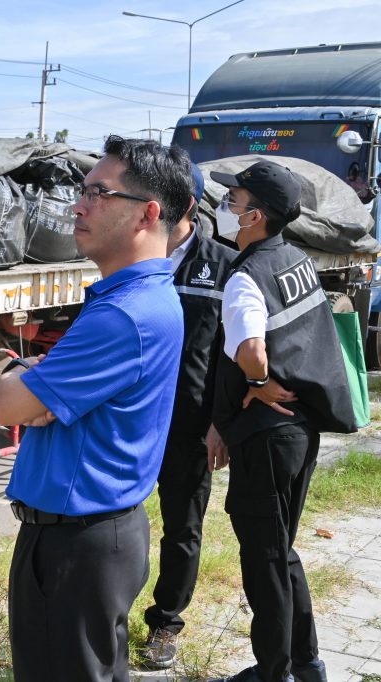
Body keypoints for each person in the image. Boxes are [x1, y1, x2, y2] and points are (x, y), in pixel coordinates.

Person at [0, 135, 190, 681]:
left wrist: (21, 377)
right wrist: (38, 385)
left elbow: (4, 406)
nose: (77, 205)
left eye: (99, 193)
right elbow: (23, 404)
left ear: (148, 213)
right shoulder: (130, 300)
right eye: (82, 191)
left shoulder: (125, 315)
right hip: (78, 536)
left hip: (79, 543)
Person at [207, 160, 358, 682]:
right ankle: (305, 663)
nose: (227, 208)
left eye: (234, 200)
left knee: (264, 561)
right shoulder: (293, 259)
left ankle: (275, 672)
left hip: (268, 435)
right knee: (281, 551)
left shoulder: (246, 275)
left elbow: (250, 349)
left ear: (256, 215)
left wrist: (253, 383)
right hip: (297, 431)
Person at [139, 164, 237, 668]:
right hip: (132, 420)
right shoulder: (133, 259)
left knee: (182, 528)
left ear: (188, 206)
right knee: (117, 522)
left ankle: (166, 623)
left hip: (191, 424)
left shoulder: (224, 267)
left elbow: (231, 355)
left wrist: (221, 422)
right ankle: (107, 608)